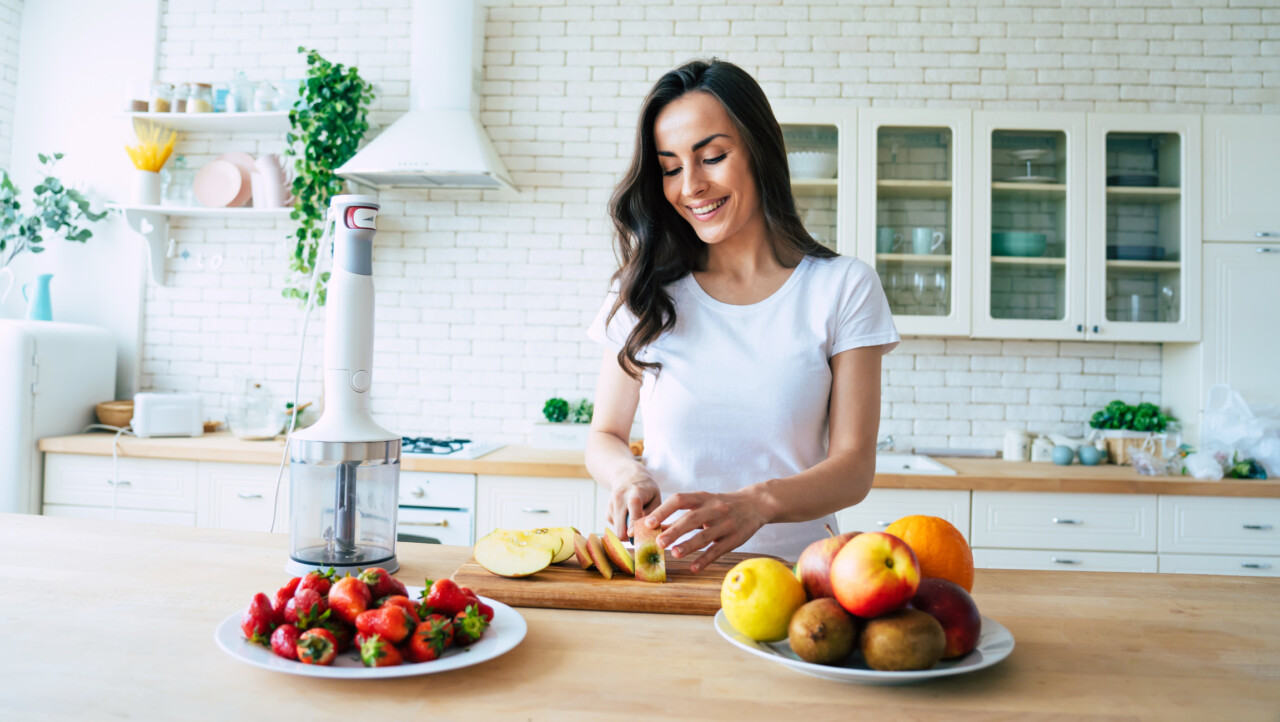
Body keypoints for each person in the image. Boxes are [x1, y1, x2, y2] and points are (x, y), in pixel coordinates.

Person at [585, 59, 899, 569]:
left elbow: (854, 468)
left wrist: (756, 505)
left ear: (759, 149)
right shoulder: (643, 291)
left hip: (800, 580)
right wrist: (626, 474)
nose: (690, 186)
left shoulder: (842, 287)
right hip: (669, 574)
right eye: (670, 168)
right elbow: (605, 436)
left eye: (711, 156)